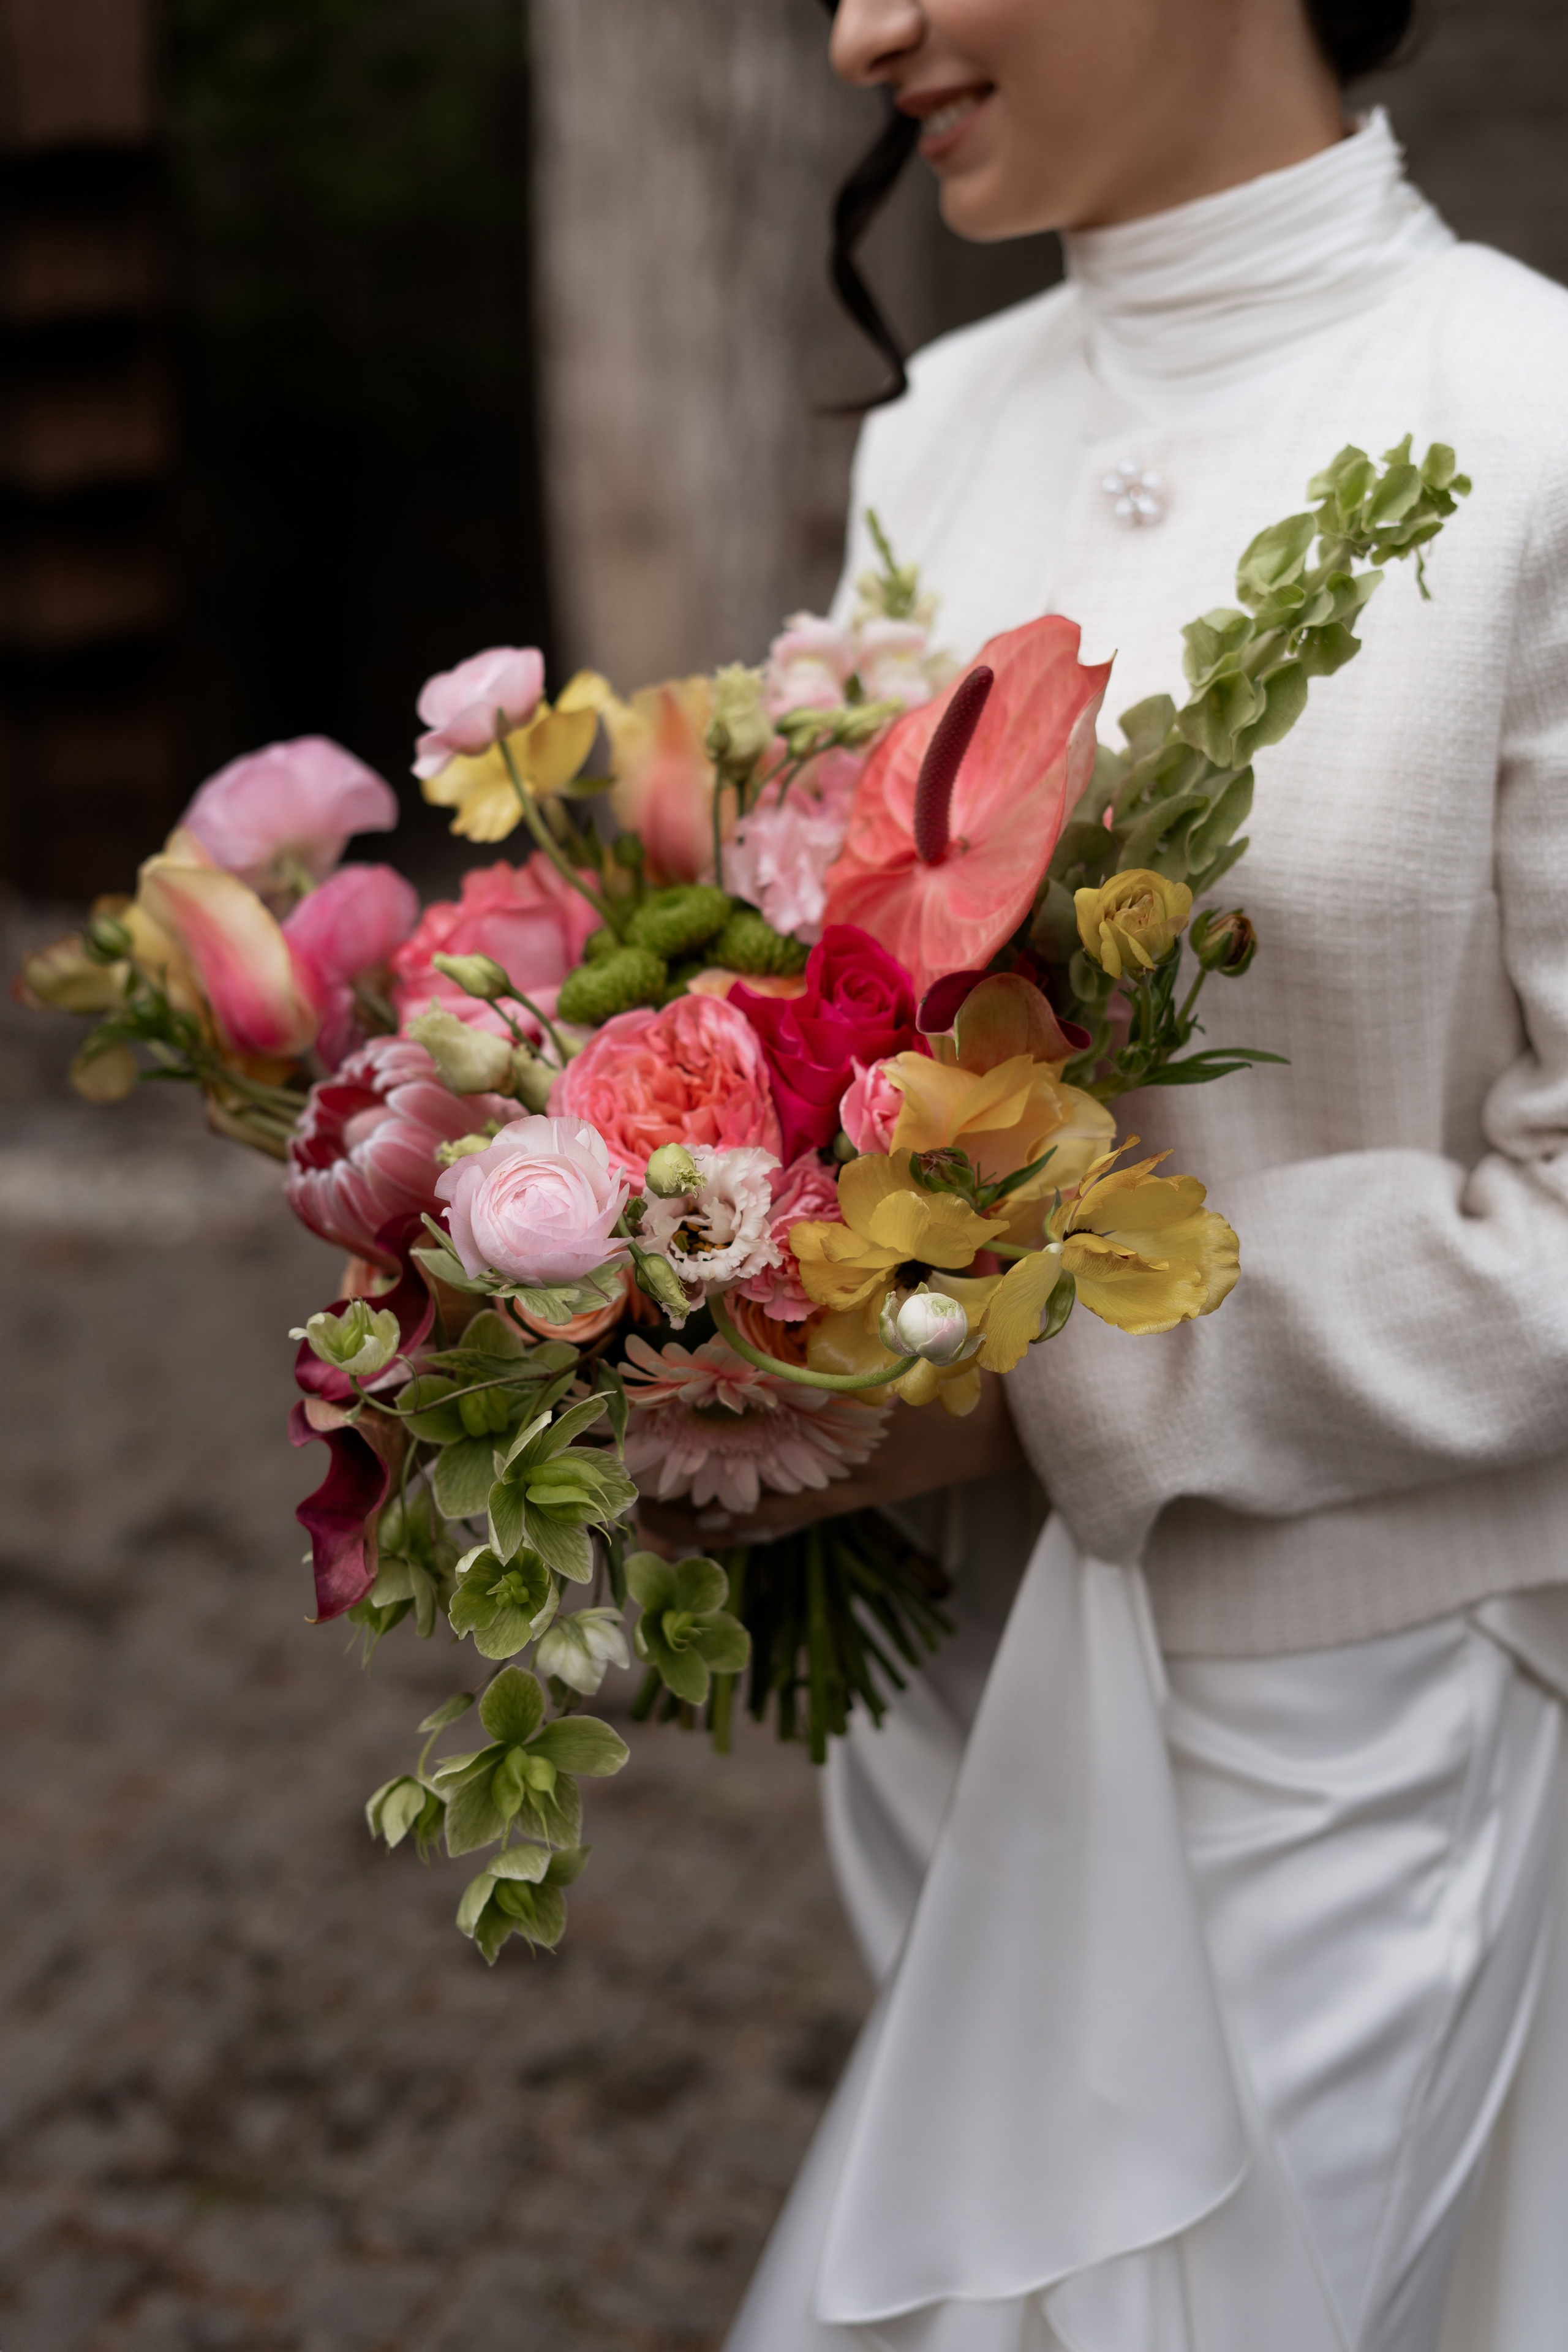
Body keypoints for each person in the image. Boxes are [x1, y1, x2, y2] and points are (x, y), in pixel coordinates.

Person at [650, 4, 1568, 2345]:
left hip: (1361, 1698)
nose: (864, 26)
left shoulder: (1534, 421)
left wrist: (1030, 1382)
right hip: (963, 1696)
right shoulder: (944, 428)